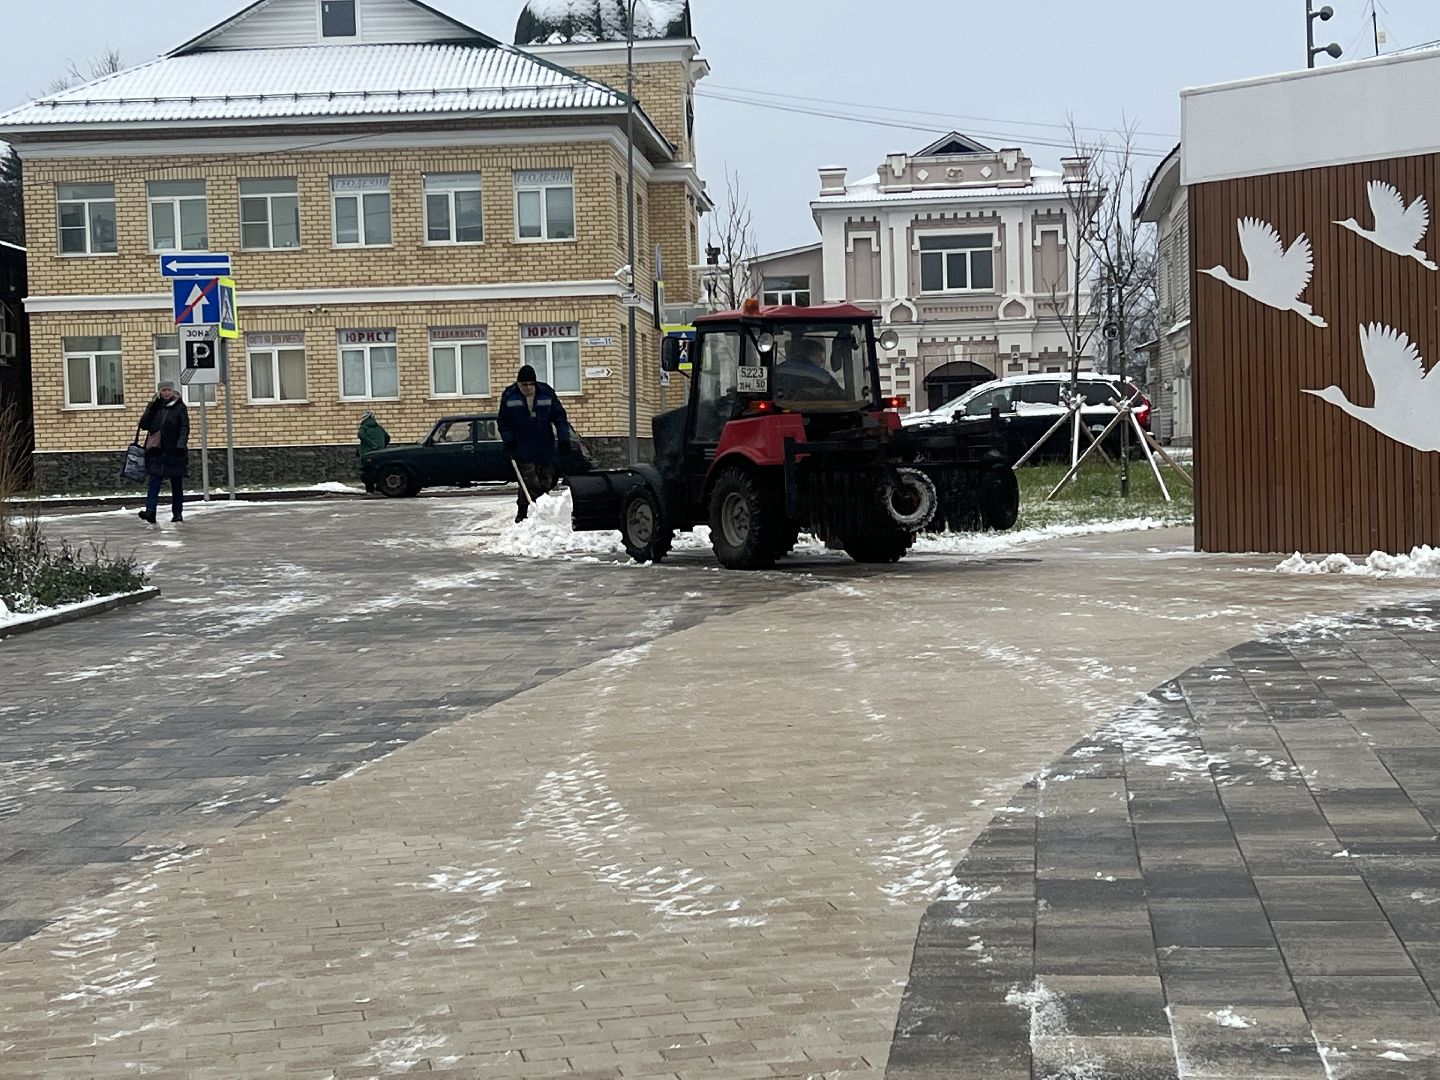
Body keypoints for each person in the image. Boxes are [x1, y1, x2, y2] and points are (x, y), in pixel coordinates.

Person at [498, 363, 574, 523]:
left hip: (544, 444)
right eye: (524, 384)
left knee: (546, 481)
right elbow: (504, 422)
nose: (527, 388)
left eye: (531, 384)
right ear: (518, 384)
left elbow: (560, 417)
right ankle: (523, 513)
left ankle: (542, 511)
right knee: (529, 481)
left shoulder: (546, 393)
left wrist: (564, 439)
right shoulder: (510, 395)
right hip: (522, 446)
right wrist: (509, 441)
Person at [137, 382, 190, 525]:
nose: (166, 393)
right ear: (159, 392)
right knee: (154, 481)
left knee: (176, 483)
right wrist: (150, 406)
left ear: (173, 391)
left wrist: (180, 445)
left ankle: (177, 513)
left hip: (174, 451)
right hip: (157, 451)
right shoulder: (156, 406)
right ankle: (150, 512)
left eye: (168, 390)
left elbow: (184, 427)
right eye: (163, 390)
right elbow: (143, 424)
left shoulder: (179, 407)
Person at [775, 337, 842, 399]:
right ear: (809, 355)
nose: (822, 360)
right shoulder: (823, 378)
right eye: (819, 355)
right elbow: (840, 396)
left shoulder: (777, 370)